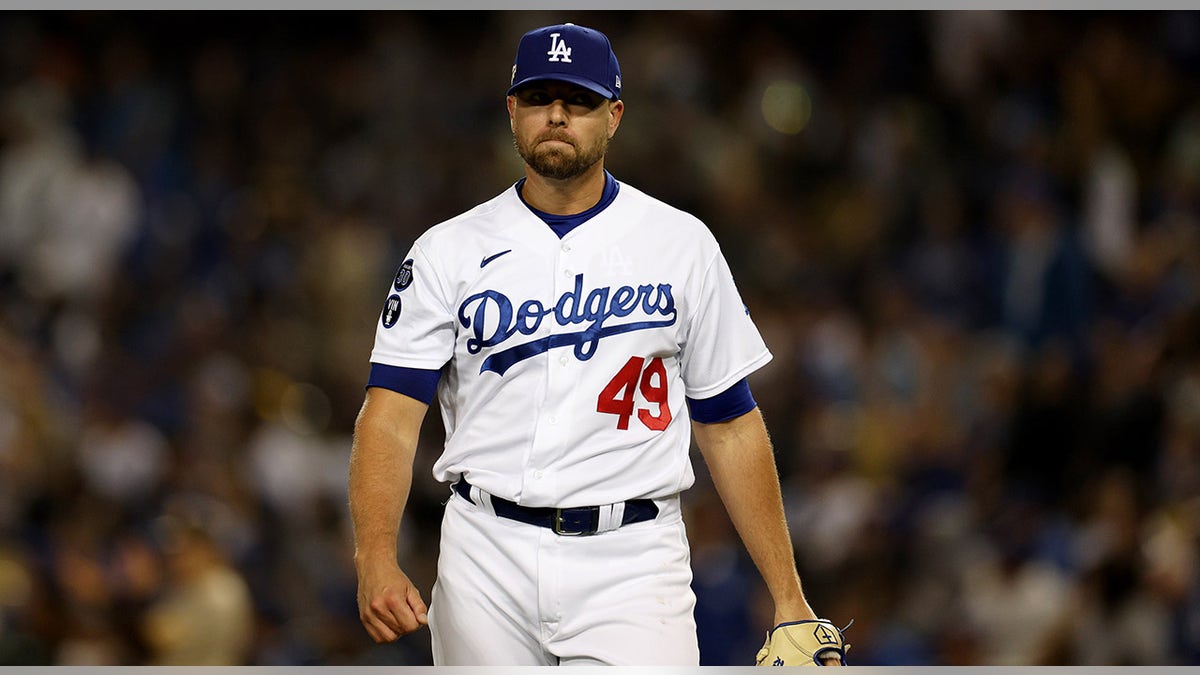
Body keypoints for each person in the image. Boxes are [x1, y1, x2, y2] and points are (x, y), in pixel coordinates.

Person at [349, 22, 839, 666]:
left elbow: (730, 423)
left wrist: (788, 594)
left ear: (613, 117)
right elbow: (388, 417)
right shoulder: (447, 250)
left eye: (577, 100)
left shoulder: (680, 243)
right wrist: (375, 555)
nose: (556, 115)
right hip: (484, 555)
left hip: (632, 562)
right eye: (538, 97)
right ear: (511, 111)